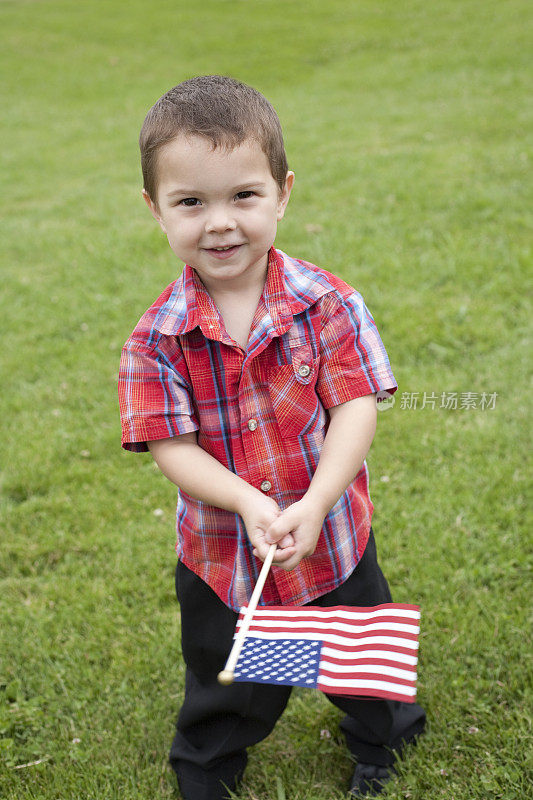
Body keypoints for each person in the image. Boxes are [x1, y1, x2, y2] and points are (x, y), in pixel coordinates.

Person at [118, 75, 425, 799]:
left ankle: (380, 739)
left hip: (334, 536)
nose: (219, 222)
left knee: (355, 663)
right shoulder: (155, 339)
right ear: (155, 210)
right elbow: (171, 445)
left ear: (282, 193)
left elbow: (354, 406)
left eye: (243, 196)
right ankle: (209, 762)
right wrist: (249, 505)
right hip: (224, 554)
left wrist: (317, 502)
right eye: (190, 202)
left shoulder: (327, 304)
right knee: (229, 676)